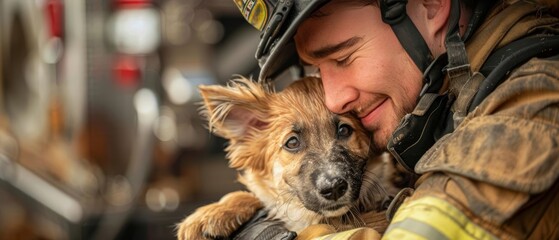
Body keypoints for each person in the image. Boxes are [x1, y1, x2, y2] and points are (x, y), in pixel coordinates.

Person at [232, 0, 559, 239]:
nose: (333, 100)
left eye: (344, 58)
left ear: (431, 5)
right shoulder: (441, 109)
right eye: (317, 71)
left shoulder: (531, 108)